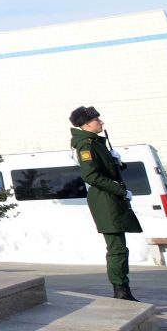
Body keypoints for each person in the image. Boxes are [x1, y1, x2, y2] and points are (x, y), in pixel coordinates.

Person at [69, 106, 142, 302]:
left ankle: (123, 289)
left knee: (120, 248)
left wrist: (117, 162)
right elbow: (91, 175)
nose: (101, 122)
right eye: (97, 120)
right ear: (86, 124)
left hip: (110, 199)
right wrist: (120, 190)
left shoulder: (95, 142)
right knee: (117, 248)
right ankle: (121, 292)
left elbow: (105, 169)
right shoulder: (86, 145)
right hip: (105, 200)